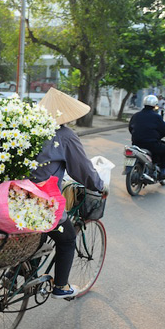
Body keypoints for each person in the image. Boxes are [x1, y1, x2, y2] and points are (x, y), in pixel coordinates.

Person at [31, 88, 107, 299]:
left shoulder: (30, 131)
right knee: (66, 238)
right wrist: (99, 185)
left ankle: (21, 271)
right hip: (41, 199)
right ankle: (61, 286)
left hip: (16, 194)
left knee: (36, 232)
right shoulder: (65, 136)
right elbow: (82, 170)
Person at [129, 94, 165, 180]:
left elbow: (130, 128)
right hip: (151, 144)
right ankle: (163, 171)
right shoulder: (156, 117)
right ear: (155, 105)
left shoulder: (136, 115)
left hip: (136, 143)